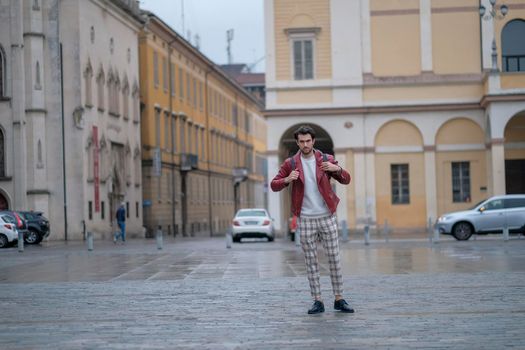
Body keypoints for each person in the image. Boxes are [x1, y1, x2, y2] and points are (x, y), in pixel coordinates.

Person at [271, 125, 354, 314]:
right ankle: (318, 300)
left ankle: (339, 299)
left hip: (327, 216)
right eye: (301, 141)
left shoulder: (325, 159)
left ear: (313, 141)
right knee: (311, 261)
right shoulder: (290, 163)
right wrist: (286, 180)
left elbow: (347, 179)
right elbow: (274, 185)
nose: (305, 144)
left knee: (334, 258)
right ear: (297, 142)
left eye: (308, 141)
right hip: (306, 219)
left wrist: (336, 168)